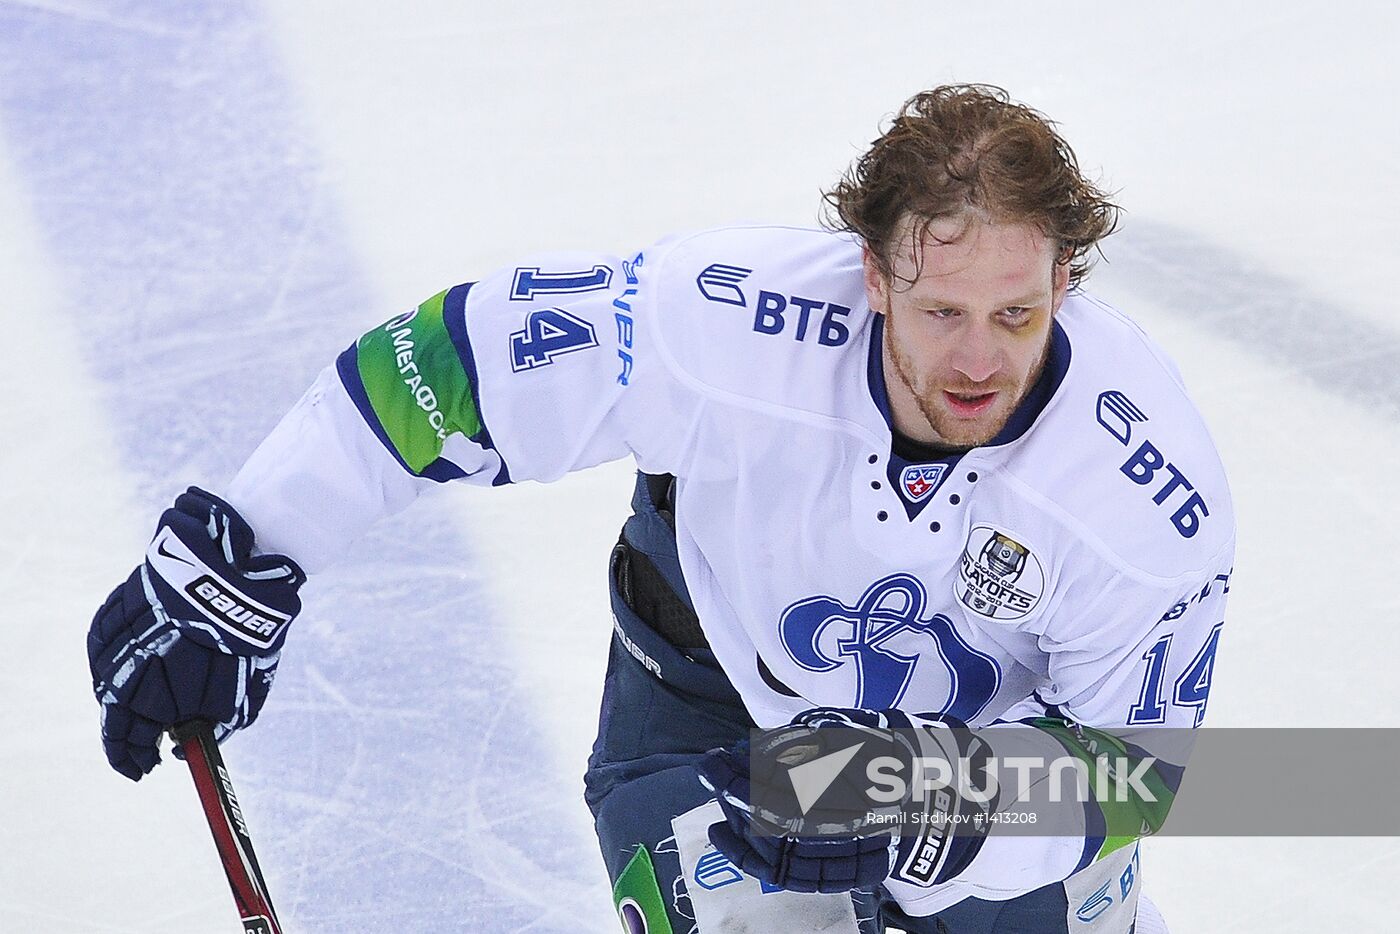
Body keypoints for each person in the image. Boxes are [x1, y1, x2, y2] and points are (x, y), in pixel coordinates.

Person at [88, 84, 1233, 932]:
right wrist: (241, 555)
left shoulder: (1140, 495)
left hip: (983, 765)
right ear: (872, 276)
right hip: (715, 716)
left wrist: (925, 796)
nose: (978, 359)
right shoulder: (726, 327)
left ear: (1063, 286)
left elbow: (1131, 771)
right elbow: (453, 365)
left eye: (1016, 315)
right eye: (939, 311)